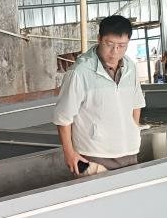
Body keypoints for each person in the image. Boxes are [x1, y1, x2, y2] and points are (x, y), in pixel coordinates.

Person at [54, 15, 146, 176]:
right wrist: (69, 153)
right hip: (94, 156)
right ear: (99, 39)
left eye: (122, 46)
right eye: (109, 44)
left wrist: (132, 130)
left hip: (129, 153)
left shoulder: (130, 67)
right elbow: (63, 118)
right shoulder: (80, 72)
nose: (115, 51)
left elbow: (136, 104)